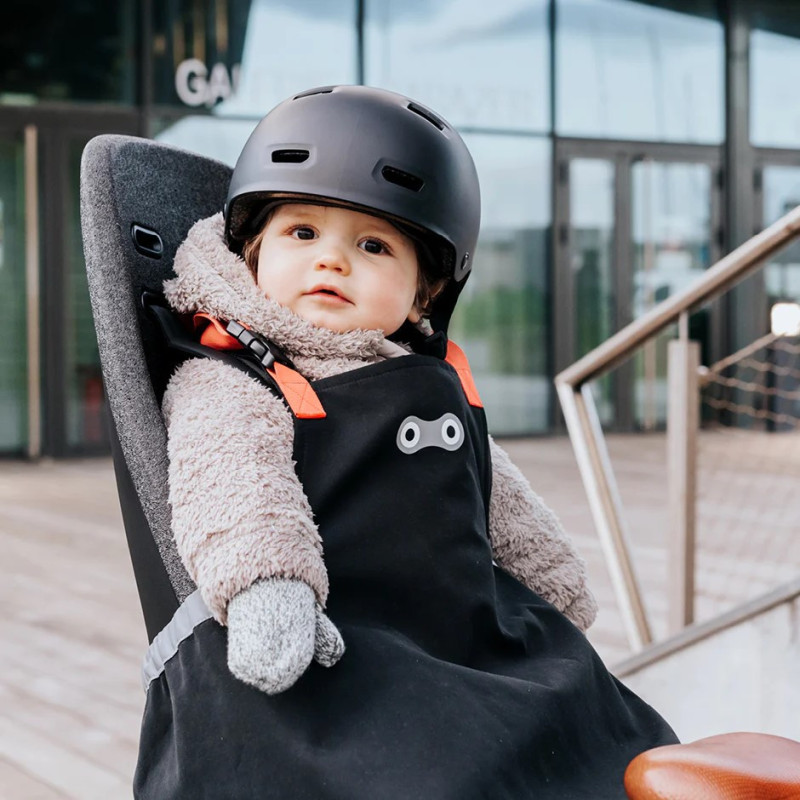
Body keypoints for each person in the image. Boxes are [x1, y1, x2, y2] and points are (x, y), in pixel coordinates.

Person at [136, 85, 676, 799]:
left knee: (606, 734)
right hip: (340, 637)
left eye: (372, 245)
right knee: (437, 768)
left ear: (424, 294)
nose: (332, 262)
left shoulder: (427, 376)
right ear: (251, 251)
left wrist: (554, 594)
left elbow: (496, 496)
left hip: (462, 629)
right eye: (303, 234)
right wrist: (269, 586)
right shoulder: (233, 375)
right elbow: (232, 483)